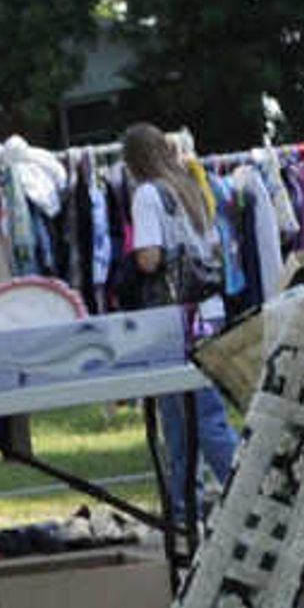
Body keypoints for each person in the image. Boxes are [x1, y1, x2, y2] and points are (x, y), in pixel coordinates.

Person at [117, 122, 238, 495]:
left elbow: (151, 259)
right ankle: (188, 505)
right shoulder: (190, 187)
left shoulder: (149, 195)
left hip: (174, 318)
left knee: (192, 419)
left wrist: (129, 267)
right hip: (208, 311)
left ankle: (237, 496)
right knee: (193, 414)